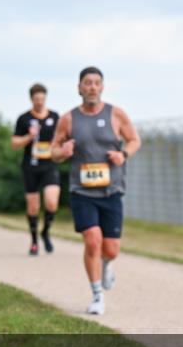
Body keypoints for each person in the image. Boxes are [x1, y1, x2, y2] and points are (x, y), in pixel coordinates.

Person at [52, 67, 141, 315]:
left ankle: (106, 264)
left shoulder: (116, 114)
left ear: (102, 87)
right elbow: (54, 151)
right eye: (87, 83)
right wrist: (63, 151)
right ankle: (97, 295)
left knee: (111, 249)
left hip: (112, 190)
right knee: (92, 240)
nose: (92, 87)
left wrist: (123, 154)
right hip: (82, 191)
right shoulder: (68, 119)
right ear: (79, 88)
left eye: (96, 83)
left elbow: (135, 140)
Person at [12, 83, 61, 255]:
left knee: (52, 202)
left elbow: (61, 138)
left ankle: (45, 231)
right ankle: (34, 241)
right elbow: (14, 143)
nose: (39, 102)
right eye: (36, 99)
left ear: (45, 98)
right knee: (33, 207)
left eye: (42, 99)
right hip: (30, 167)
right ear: (31, 99)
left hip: (49, 165)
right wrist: (29, 136)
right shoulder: (24, 118)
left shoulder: (54, 117)